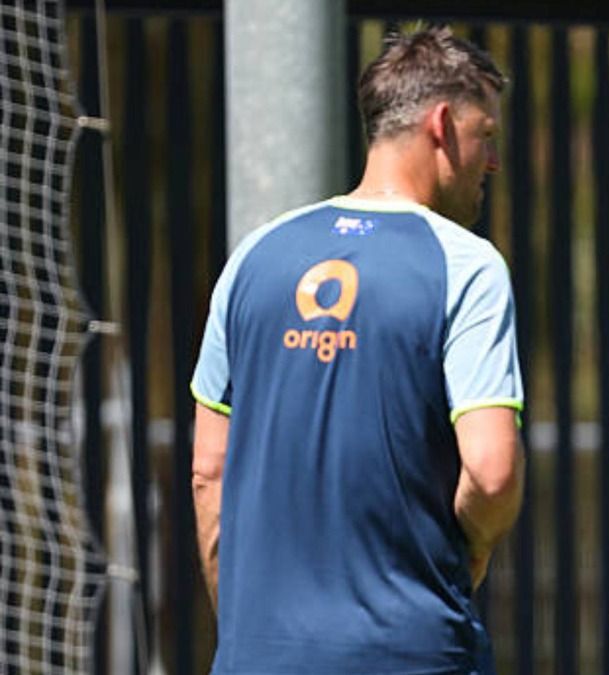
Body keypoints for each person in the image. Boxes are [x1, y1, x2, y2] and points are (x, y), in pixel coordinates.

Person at [190, 26, 524, 675]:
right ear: (442, 124)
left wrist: (245, 629)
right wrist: (469, 552)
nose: (492, 161)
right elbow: (491, 472)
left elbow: (209, 470)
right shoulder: (467, 266)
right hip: (413, 652)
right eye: (485, 135)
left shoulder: (254, 256)